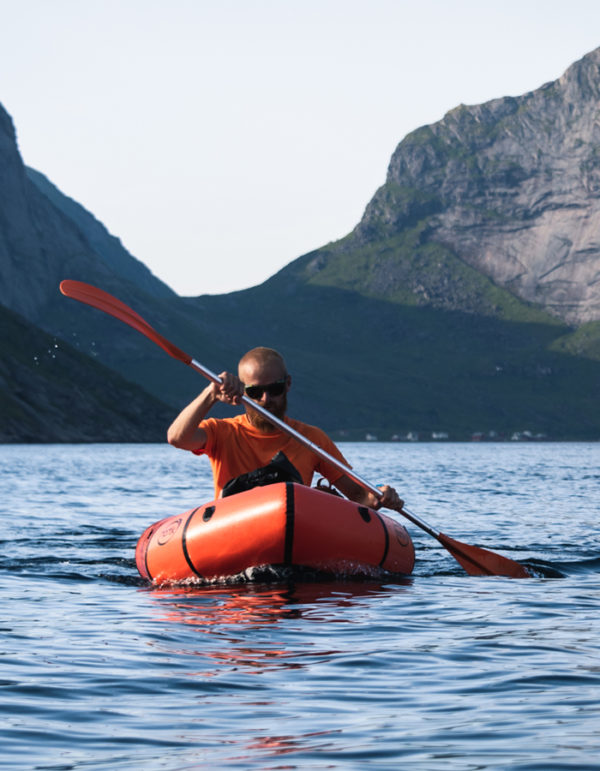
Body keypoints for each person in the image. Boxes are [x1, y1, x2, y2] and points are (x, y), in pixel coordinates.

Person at [167, 346, 404, 510]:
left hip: (294, 526)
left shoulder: (311, 438)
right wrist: (210, 395)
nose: (266, 399)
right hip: (234, 527)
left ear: (288, 384)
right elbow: (177, 438)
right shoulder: (222, 432)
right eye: (255, 392)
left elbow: (358, 495)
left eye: (275, 389)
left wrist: (379, 497)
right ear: (243, 393)